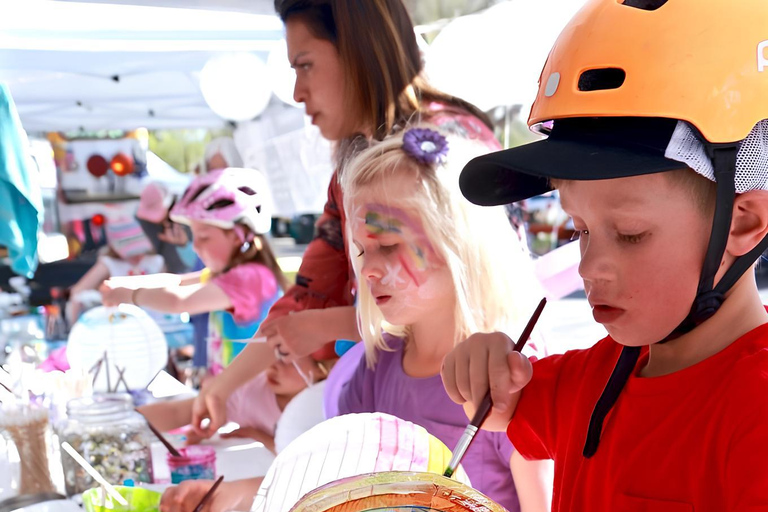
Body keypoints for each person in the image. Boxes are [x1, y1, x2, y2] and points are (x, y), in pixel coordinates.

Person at [440, 0, 768, 510]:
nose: (589, 267)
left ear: (744, 221)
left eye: (631, 233)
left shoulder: (755, 411)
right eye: (580, 229)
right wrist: (482, 366)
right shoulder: (593, 380)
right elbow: (500, 405)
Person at [191, 0, 505, 441]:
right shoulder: (352, 167)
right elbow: (308, 294)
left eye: (304, 66)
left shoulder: (450, 144)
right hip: (401, 402)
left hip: (476, 408)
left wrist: (325, 325)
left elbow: (485, 294)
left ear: (359, 52)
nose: (297, 92)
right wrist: (223, 387)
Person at [335, 127, 551, 512]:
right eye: (361, 250)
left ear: (458, 242)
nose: (367, 270)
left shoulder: (511, 374)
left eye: (387, 245)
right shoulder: (374, 370)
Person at [100, 168, 288, 375]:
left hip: (255, 398)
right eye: (195, 235)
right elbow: (178, 282)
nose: (195, 246)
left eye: (204, 237)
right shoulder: (234, 274)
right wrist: (125, 284)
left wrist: (127, 295)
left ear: (238, 235)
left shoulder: (250, 277)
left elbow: (178, 301)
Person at [138, 354, 330, 453]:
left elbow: (310, 459)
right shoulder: (251, 390)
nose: (272, 365)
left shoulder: (332, 403)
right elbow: (178, 412)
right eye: (273, 356)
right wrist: (124, 422)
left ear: (323, 368)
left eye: (286, 361)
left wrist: (260, 436)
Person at [68, 216, 164, 324]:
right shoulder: (109, 263)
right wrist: (74, 326)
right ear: (115, 248)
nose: (136, 256)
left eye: (139, 249)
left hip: (156, 323)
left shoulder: (156, 261)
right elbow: (77, 292)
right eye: (130, 251)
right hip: (122, 325)